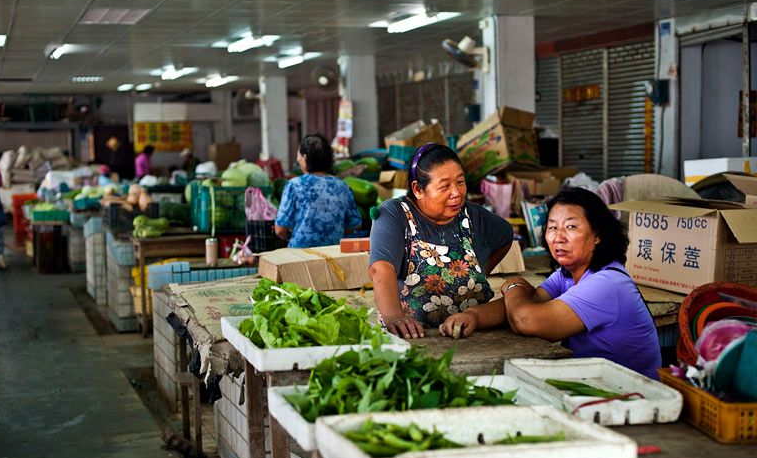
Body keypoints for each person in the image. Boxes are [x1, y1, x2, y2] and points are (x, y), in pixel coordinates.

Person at [439, 187, 661, 379]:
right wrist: (474, 316)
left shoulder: (607, 284)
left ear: (597, 235)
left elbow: (525, 319)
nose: (558, 237)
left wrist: (514, 285)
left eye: (571, 227)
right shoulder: (568, 273)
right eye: (553, 227)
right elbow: (530, 301)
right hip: (594, 381)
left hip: (629, 398)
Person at [369, 143, 513, 339]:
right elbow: (381, 268)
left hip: (471, 335)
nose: (456, 193)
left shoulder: (472, 216)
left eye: (460, 182)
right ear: (418, 189)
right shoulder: (395, 214)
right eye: (445, 186)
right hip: (414, 336)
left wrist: (481, 270)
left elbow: (505, 235)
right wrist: (394, 317)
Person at [275, 133, 362, 248]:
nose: (298, 160)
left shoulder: (294, 185)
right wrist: (333, 234)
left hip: (300, 257)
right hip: (333, 255)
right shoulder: (342, 187)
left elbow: (280, 229)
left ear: (305, 157)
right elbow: (355, 224)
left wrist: (294, 236)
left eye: (299, 156)